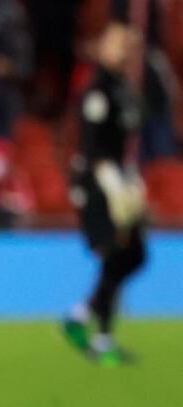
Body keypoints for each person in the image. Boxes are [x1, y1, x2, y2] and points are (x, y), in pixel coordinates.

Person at [63, 23, 148, 366]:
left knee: (133, 255)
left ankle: (82, 315)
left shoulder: (123, 89)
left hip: (119, 175)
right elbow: (93, 144)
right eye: (121, 46)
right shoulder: (97, 90)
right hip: (99, 180)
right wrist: (114, 186)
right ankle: (102, 338)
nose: (127, 53)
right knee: (116, 254)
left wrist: (131, 178)